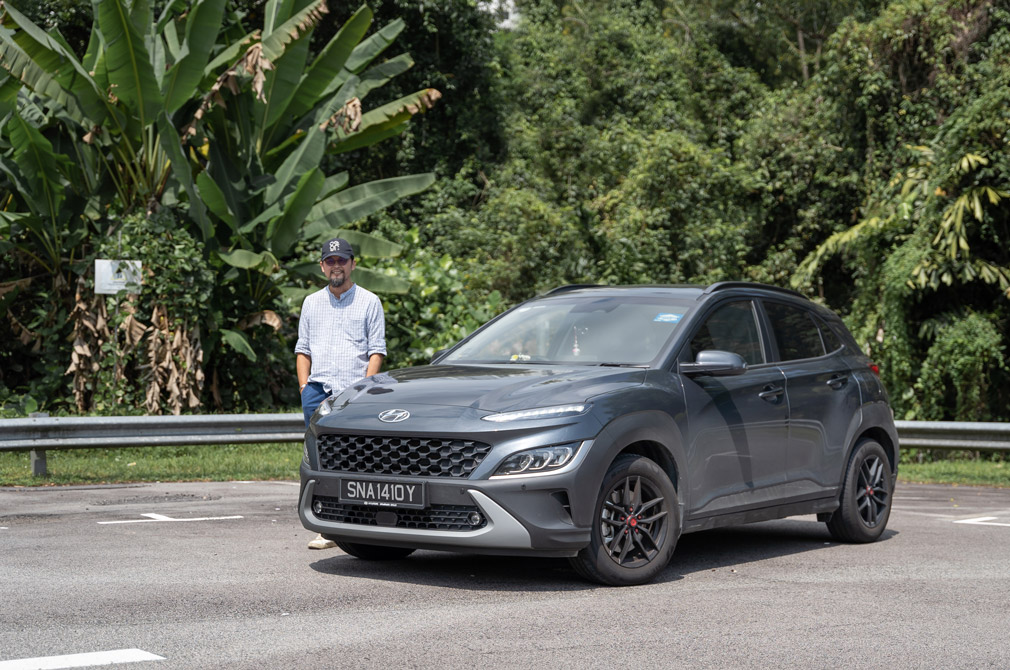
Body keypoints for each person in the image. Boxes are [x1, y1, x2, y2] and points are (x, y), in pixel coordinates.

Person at [295, 237, 386, 549]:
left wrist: (366, 388)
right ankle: (326, 524)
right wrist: (304, 386)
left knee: (356, 458)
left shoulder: (370, 301)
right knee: (319, 459)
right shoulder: (311, 303)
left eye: (342, 260)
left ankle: (356, 522)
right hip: (317, 391)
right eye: (330, 261)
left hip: (354, 392)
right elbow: (302, 349)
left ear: (352, 264)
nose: (336, 266)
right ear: (322, 266)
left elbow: (377, 352)